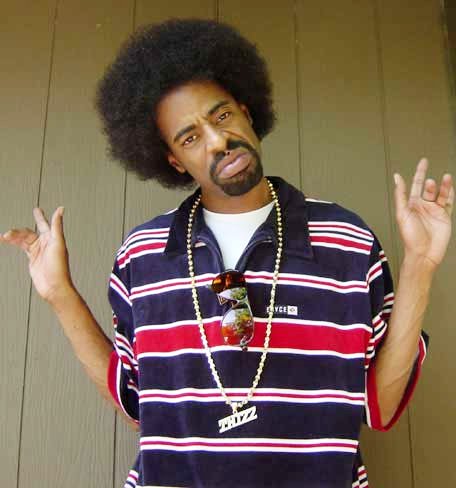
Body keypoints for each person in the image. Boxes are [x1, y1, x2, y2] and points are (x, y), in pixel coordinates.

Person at [1, 18, 453, 488]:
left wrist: (420, 266)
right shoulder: (144, 255)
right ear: (174, 160)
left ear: (246, 112)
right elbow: (137, 406)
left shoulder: (346, 240)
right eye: (190, 137)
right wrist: (60, 295)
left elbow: (380, 408)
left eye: (221, 117)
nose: (218, 141)